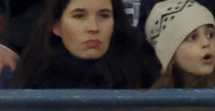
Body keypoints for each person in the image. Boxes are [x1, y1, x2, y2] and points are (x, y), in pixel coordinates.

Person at [11, 0, 156, 88]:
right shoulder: (33, 76)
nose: (93, 27)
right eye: (79, 16)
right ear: (57, 25)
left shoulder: (140, 72)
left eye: (104, 15)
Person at [146, 0, 215, 87]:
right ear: (170, 54)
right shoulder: (159, 95)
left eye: (210, 35)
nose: (206, 43)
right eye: (193, 37)